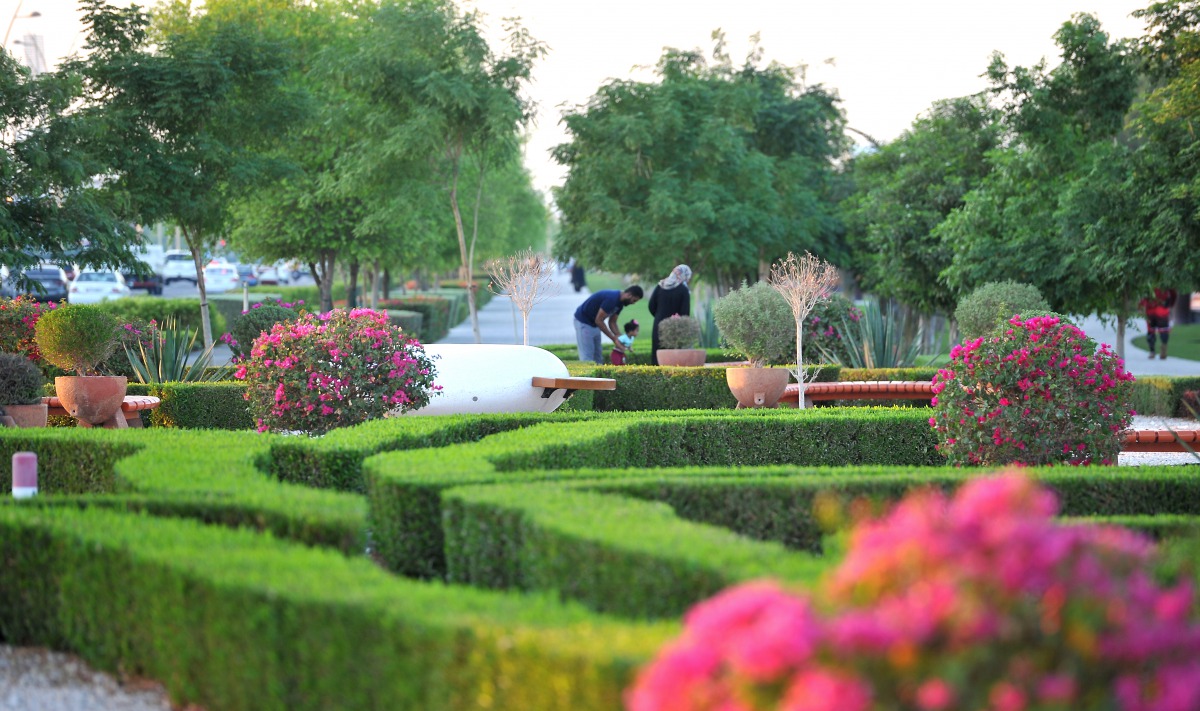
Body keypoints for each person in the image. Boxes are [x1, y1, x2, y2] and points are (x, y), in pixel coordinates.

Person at [573, 285, 644, 364]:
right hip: (584, 322)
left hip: (594, 324)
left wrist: (620, 338)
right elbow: (599, 320)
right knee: (587, 356)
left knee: (598, 357)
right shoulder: (612, 299)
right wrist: (613, 338)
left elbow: (612, 322)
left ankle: (598, 376)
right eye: (634, 300)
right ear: (629, 295)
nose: (633, 303)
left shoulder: (620, 303)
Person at [647, 264, 692, 365]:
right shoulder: (683, 290)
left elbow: (651, 306)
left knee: (657, 354)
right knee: (674, 357)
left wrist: (659, 316)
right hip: (676, 327)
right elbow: (685, 312)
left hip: (658, 325)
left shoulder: (660, 286)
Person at [1140, 288, 1178, 359]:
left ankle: (1152, 352)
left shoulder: (1147, 281)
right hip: (1162, 310)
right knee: (1164, 331)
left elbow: (1143, 296)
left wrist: (1141, 305)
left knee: (1151, 331)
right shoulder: (1165, 282)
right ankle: (1163, 351)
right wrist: (1170, 304)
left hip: (1150, 310)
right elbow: (1173, 293)